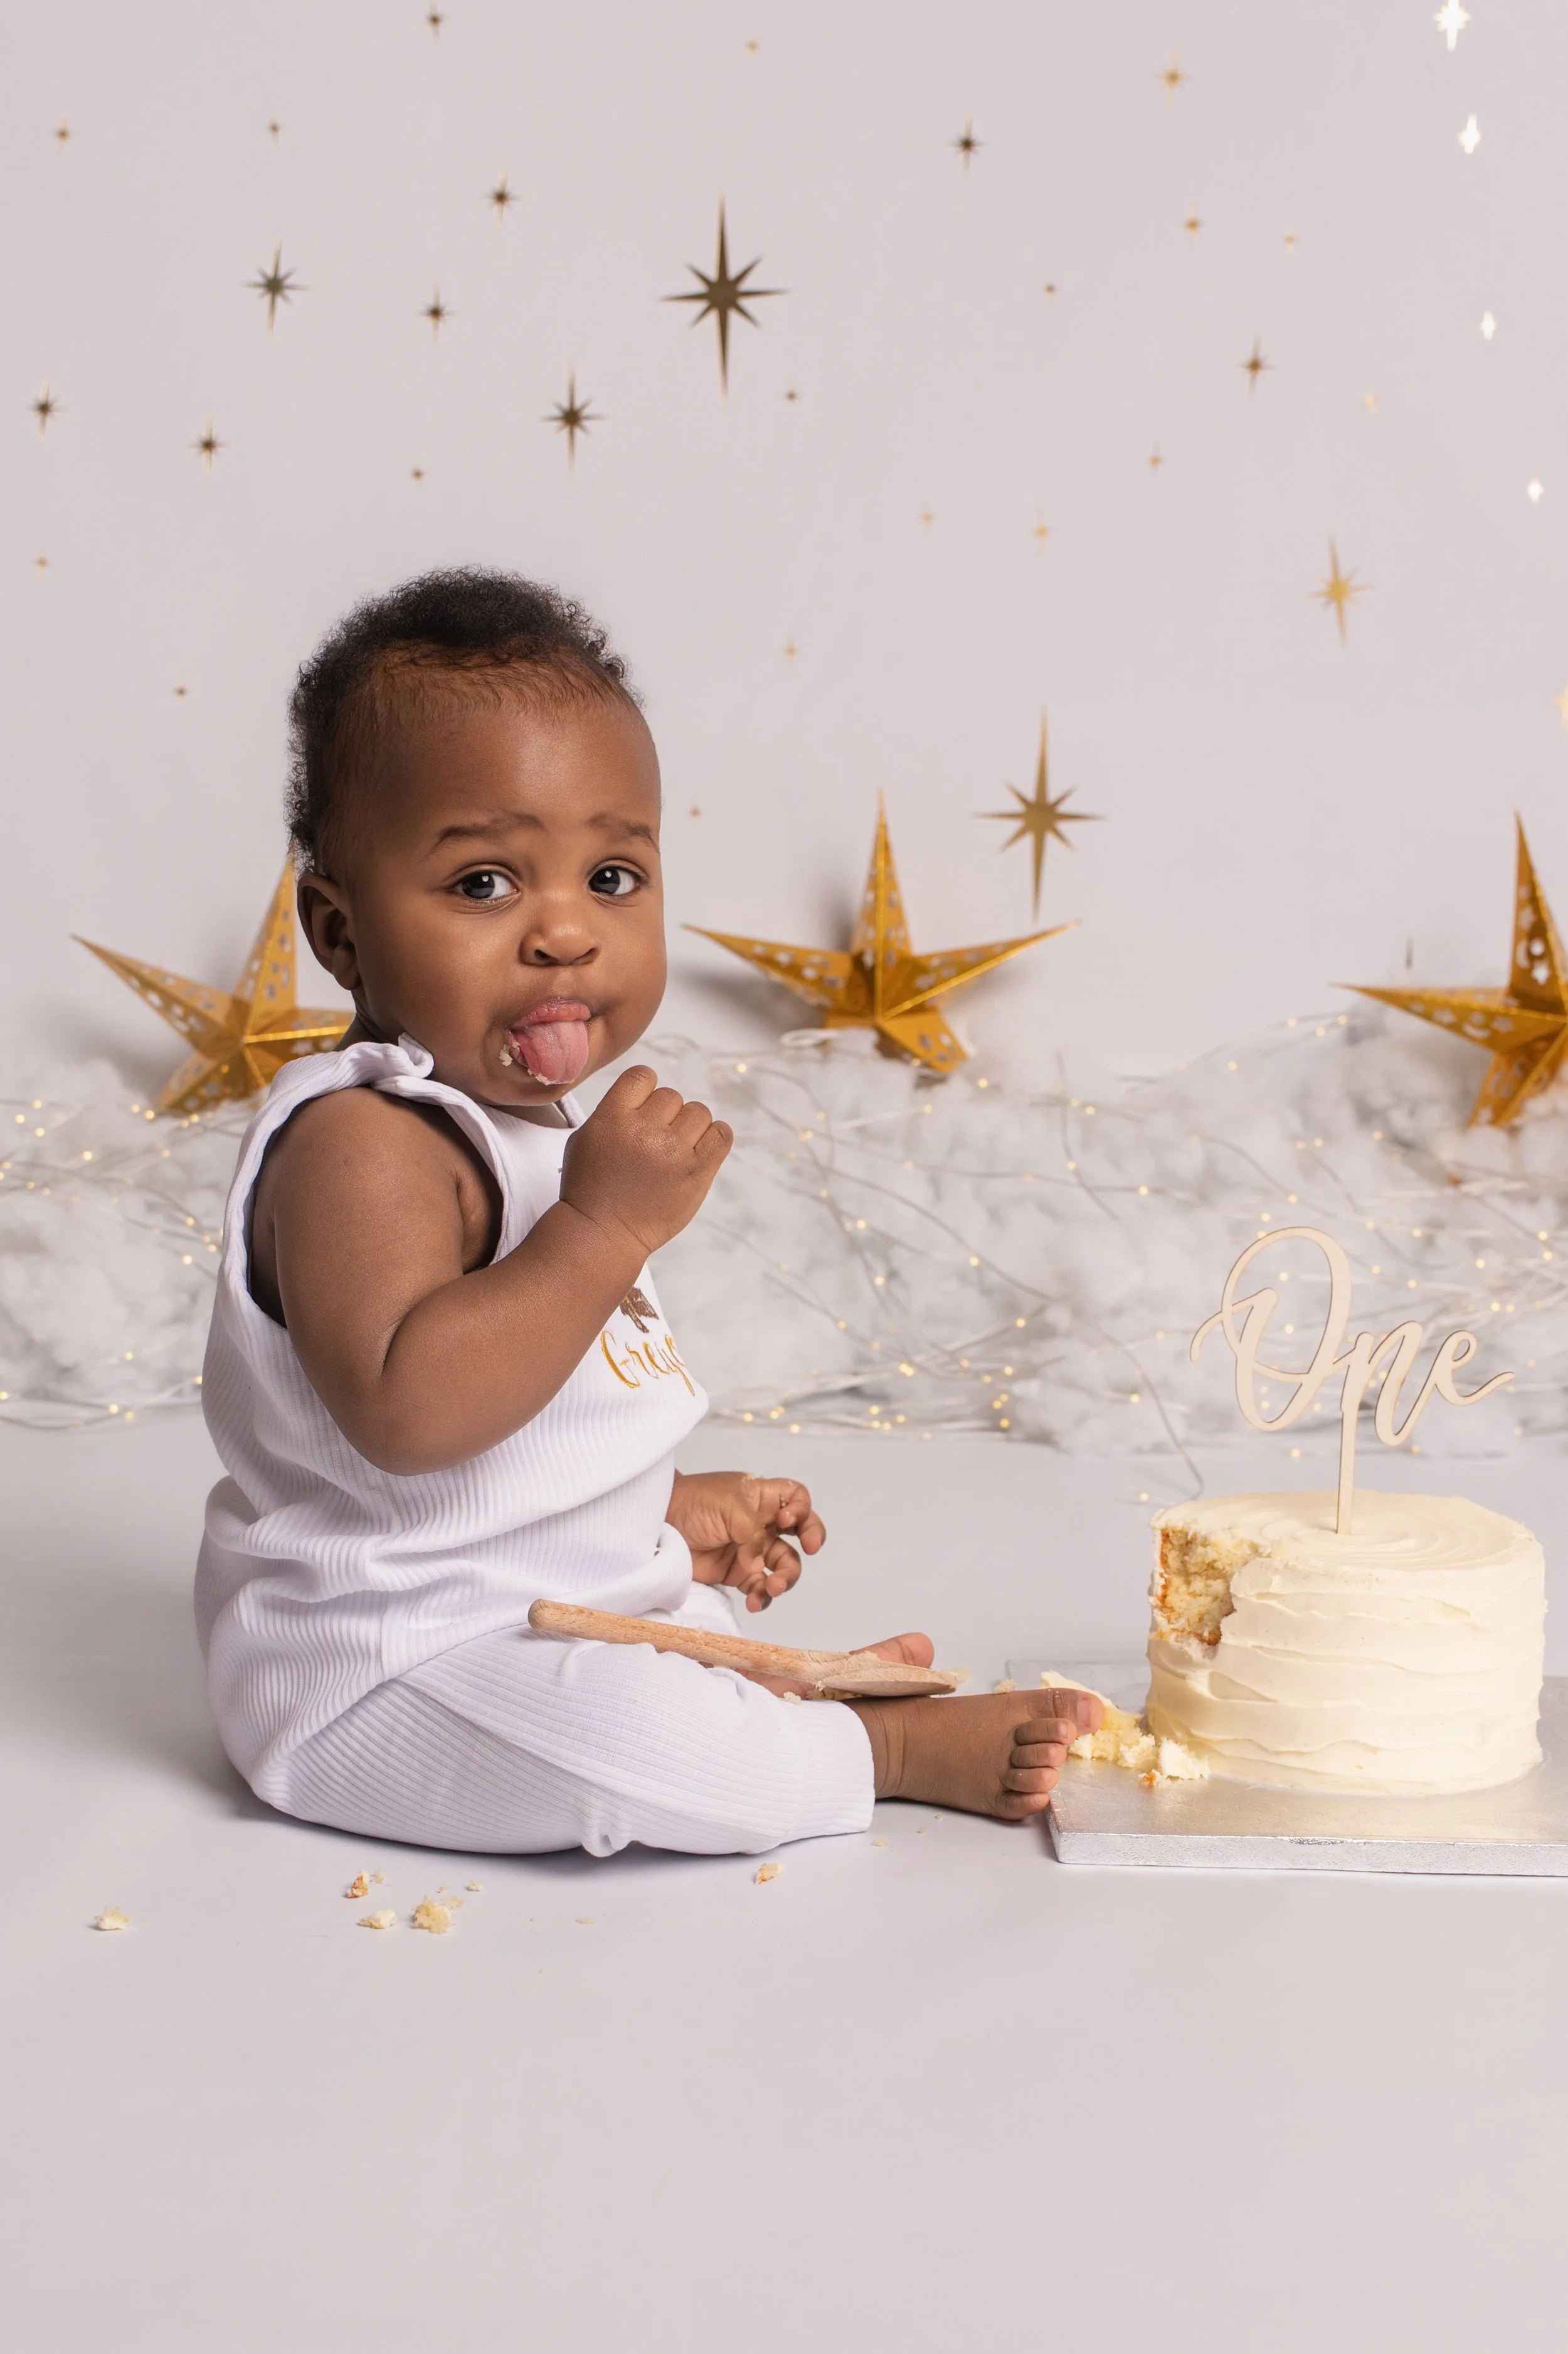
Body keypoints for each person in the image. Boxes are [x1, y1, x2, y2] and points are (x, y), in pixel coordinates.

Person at [196, 567, 1101, 1856]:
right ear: (340, 934)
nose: (564, 934)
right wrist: (602, 1232)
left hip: (522, 1606)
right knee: (636, 1746)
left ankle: (771, 1687)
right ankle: (876, 1749)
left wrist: (657, 1509)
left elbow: (526, 1414)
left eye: (613, 876)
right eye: (484, 885)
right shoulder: (361, 1142)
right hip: (385, 1658)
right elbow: (408, 1418)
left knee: (673, 1641)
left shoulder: (518, 1125)